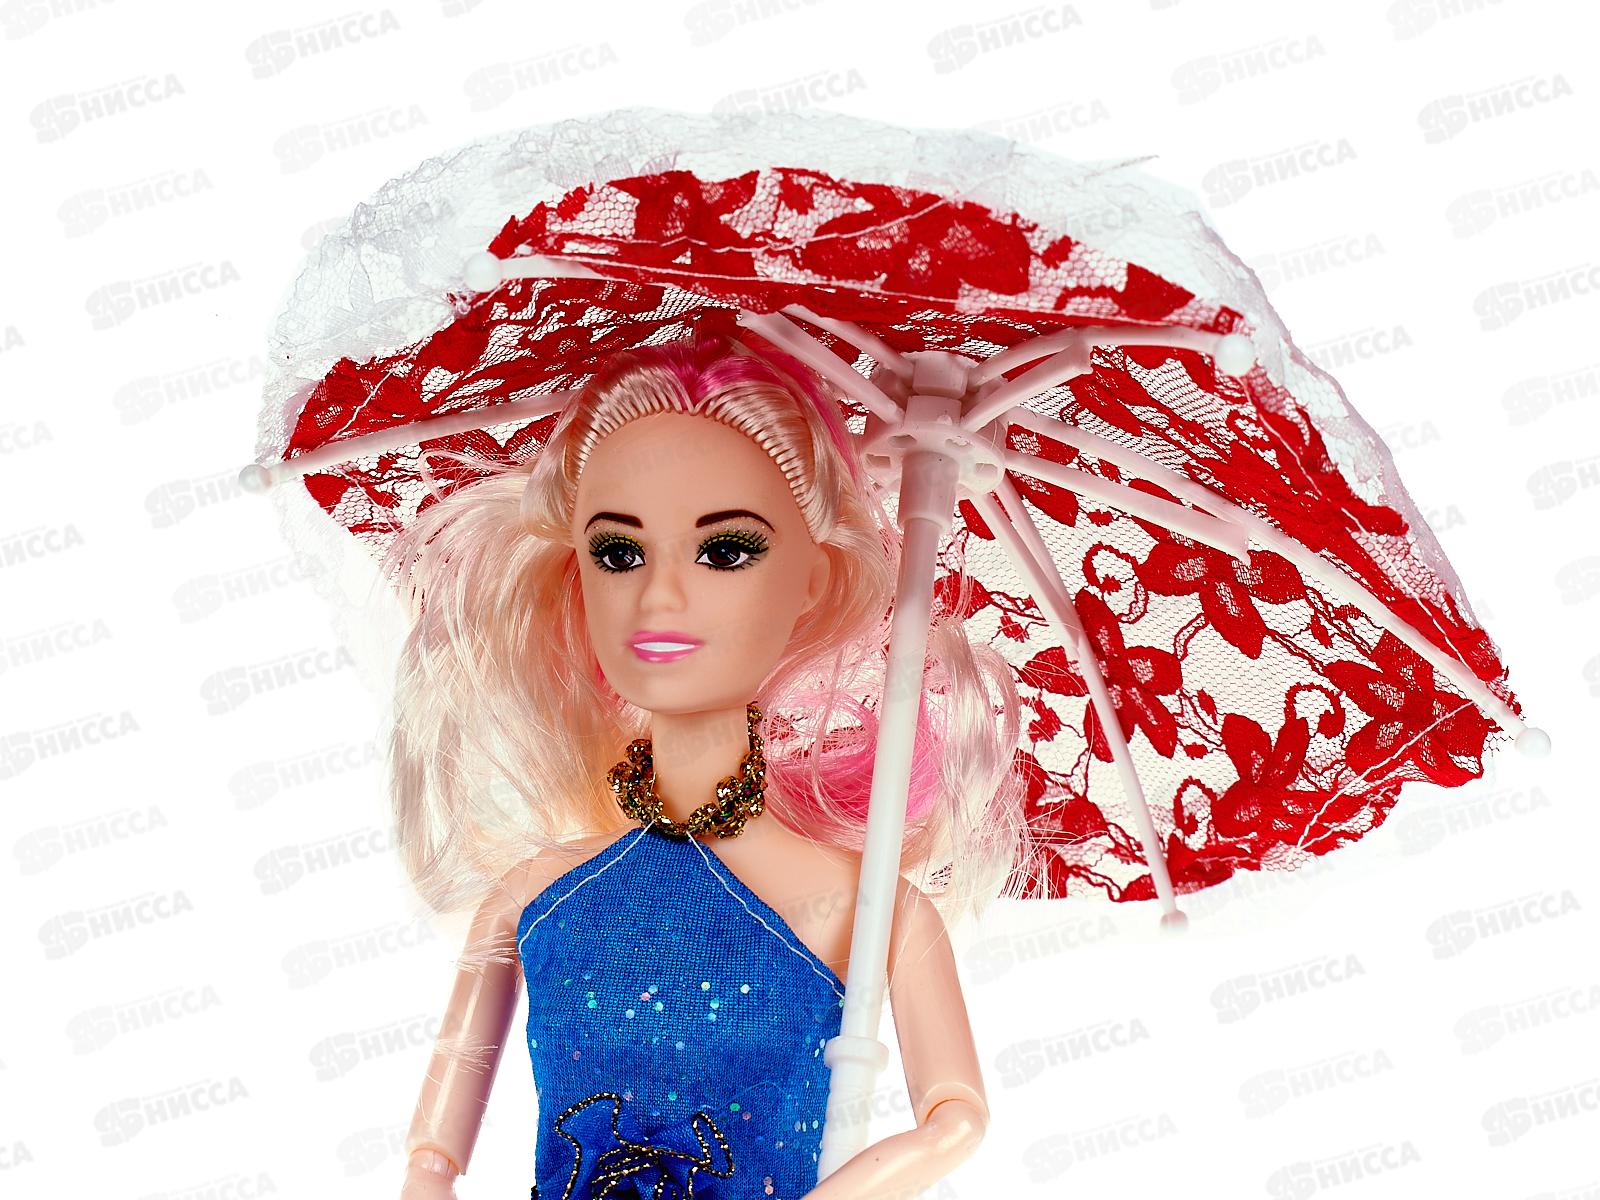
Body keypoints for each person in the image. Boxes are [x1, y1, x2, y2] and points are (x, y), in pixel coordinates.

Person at [387, 332, 1027, 1199]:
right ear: (577, 572)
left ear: (812, 578)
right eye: (619, 553)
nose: (660, 595)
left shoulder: (871, 904)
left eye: (725, 550)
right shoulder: (535, 897)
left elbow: (956, 1120)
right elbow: (432, 1154)